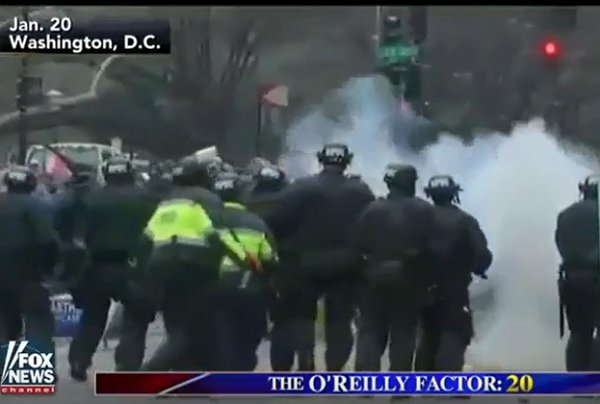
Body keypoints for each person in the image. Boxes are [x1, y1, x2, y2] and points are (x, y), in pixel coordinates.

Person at [266, 143, 375, 371]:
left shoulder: (301, 188)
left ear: (321, 160)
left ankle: (305, 358)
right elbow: (372, 225)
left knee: (302, 315)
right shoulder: (361, 191)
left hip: (304, 263)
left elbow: (276, 221)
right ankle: (334, 369)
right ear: (347, 161)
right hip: (346, 266)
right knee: (339, 322)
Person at [68, 157, 160, 380]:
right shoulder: (148, 198)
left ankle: (80, 359)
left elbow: (79, 238)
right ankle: (127, 366)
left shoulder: (92, 199)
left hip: (98, 265)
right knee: (135, 319)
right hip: (136, 266)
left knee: (93, 317)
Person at [137, 160, 228, 371]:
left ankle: (180, 377)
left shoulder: (167, 202)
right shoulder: (209, 199)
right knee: (192, 328)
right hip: (194, 268)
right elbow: (217, 238)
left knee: (175, 324)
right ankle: (152, 371)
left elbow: (145, 240)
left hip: (160, 267)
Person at [353, 163, 436, 376]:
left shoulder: (372, 210)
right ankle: (399, 387)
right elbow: (433, 248)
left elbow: (358, 245)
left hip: (374, 277)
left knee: (370, 330)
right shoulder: (425, 210)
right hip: (410, 279)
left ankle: (365, 381)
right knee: (404, 333)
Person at [414, 175, 492, 372]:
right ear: (454, 194)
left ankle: (423, 379)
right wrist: (478, 268)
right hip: (455, 287)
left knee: (428, 333)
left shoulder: (418, 219)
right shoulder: (465, 221)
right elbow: (482, 254)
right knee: (455, 331)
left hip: (423, 285)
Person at [213, 173, 278, 370]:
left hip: (213, 287)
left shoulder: (207, 219)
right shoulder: (256, 223)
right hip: (249, 288)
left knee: (220, 330)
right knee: (252, 330)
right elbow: (270, 260)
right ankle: (243, 364)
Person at [0, 166, 58, 353]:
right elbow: (47, 241)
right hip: (27, 275)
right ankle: (36, 372)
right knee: (38, 322)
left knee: (5, 326)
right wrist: (49, 269)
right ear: (31, 184)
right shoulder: (38, 206)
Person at [556, 174, 600, 371]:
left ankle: (577, 381)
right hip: (596, 278)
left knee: (578, 332)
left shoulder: (566, 215)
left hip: (571, 280)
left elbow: (560, 243)